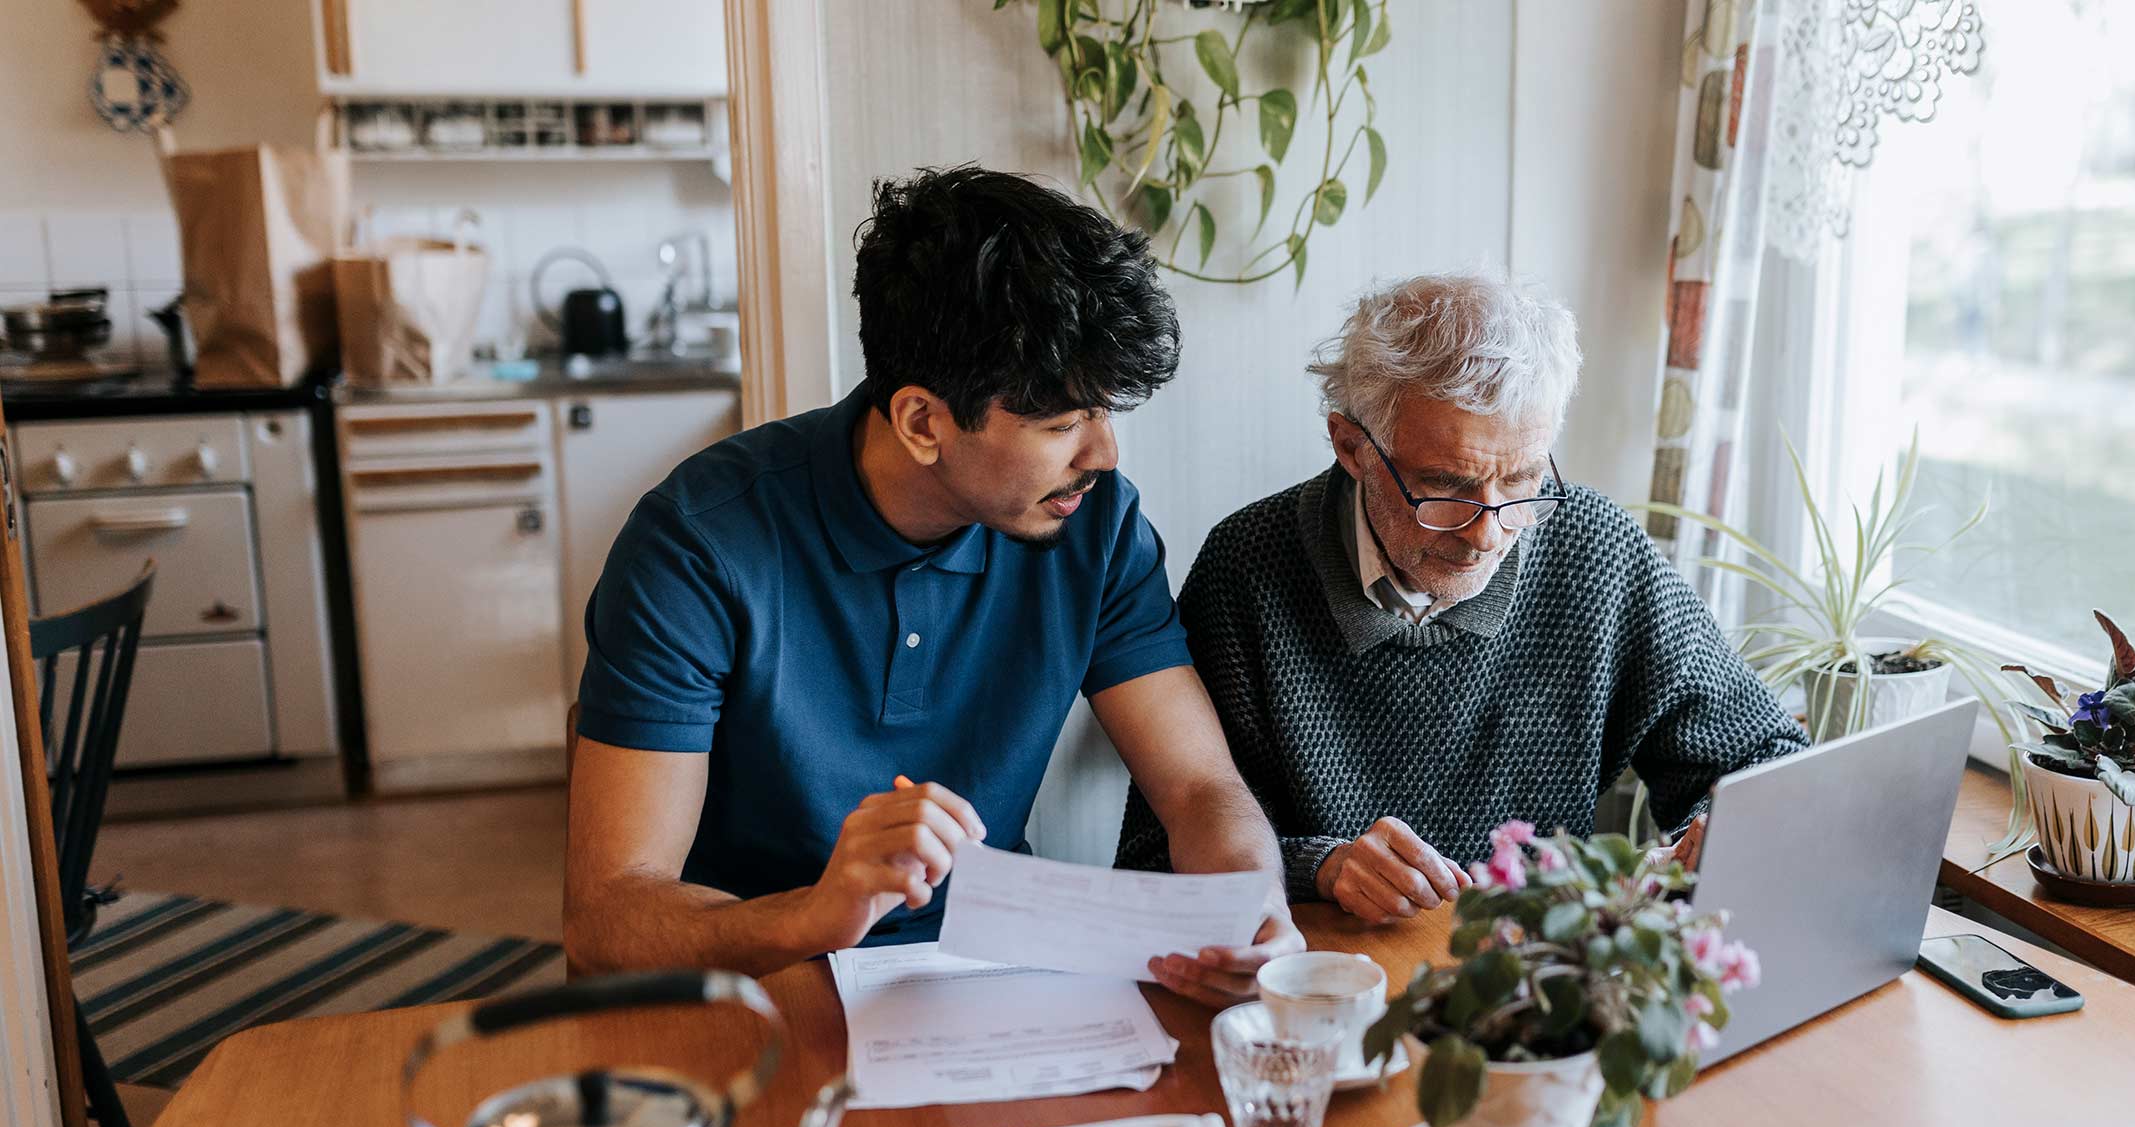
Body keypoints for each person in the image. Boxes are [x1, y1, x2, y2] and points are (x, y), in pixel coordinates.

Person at [566, 165, 1299, 1003]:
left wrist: (1250, 898)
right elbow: (607, 919)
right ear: (922, 422)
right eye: (1062, 424)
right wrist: (817, 915)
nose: (1104, 455)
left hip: (996, 987)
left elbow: (1200, 786)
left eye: (1105, 414)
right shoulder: (696, 546)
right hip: (757, 992)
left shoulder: (1095, 525)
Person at [1116, 272, 1806, 921]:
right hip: (1334, 980)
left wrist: (1704, 840)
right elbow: (1157, 861)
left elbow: (1766, 758)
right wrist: (1319, 869)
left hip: (1537, 984)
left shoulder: (1594, 549)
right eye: (1445, 486)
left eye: (1523, 480)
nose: (1487, 531)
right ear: (1350, 446)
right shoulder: (1247, 569)